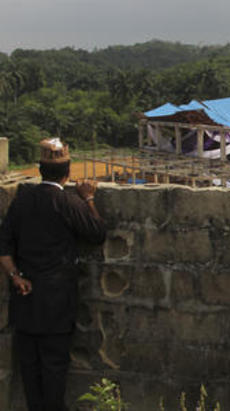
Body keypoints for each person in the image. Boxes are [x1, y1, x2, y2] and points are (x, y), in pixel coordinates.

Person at [0, 138, 106, 411]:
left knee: (29, 368)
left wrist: (15, 276)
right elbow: (97, 234)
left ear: (39, 169)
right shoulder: (68, 203)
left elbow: (4, 246)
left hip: (25, 297)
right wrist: (90, 199)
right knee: (55, 366)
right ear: (68, 173)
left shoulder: (22, 201)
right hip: (57, 302)